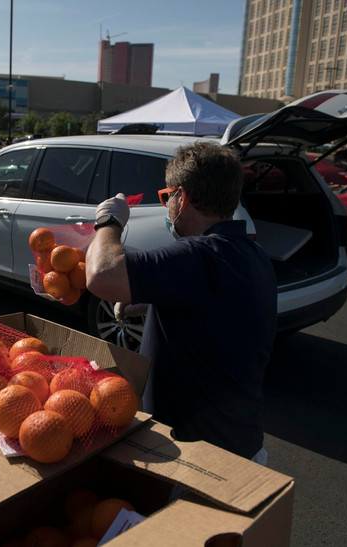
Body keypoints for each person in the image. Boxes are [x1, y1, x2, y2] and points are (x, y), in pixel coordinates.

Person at [85, 141, 277, 464]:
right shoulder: (251, 254)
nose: (167, 208)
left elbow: (101, 273)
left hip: (199, 456)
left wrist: (108, 223)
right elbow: (217, 307)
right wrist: (150, 301)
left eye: (166, 198)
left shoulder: (197, 255)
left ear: (181, 197)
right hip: (240, 442)